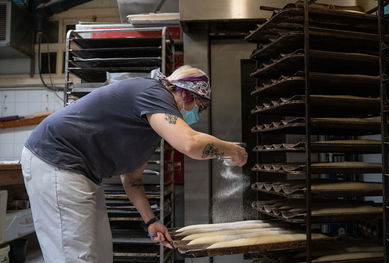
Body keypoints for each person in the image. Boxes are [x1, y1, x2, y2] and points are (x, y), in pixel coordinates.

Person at [20, 65, 248, 262]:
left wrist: (151, 221)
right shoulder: (154, 93)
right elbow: (190, 144)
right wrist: (231, 149)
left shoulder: (151, 124)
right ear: (186, 94)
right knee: (76, 256)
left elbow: (132, 178)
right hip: (57, 160)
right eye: (199, 105)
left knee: (99, 254)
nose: (196, 113)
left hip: (80, 172)